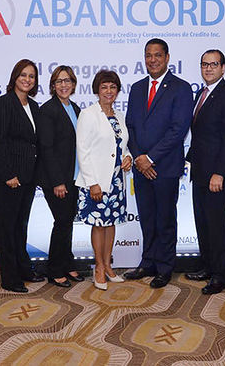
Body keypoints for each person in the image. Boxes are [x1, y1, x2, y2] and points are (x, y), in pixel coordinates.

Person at [124, 38, 193, 289]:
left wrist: (150, 158)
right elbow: (130, 125)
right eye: (148, 55)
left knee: (165, 218)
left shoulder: (181, 88)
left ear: (167, 58)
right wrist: (139, 158)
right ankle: (148, 261)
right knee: (147, 217)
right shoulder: (138, 88)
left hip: (164, 167)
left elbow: (178, 130)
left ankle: (165, 267)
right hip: (142, 168)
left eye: (157, 55)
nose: (152, 60)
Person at [185, 49, 225, 295]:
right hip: (200, 172)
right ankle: (208, 266)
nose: (208, 68)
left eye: (214, 64)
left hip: (217, 176)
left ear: (223, 67)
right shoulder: (202, 92)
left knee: (217, 224)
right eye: (204, 64)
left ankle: (220, 275)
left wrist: (219, 172)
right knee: (203, 222)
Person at [0, 59, 44, 293]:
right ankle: (10, 278)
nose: (27, 79)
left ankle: (23, 268)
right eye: (23, 75)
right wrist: (8, 174)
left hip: (28, 177)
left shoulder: (33, 106)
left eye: (31, 76)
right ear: (14, 77)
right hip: (8, 178)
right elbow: (0, 141)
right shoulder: (4, 103)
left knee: (21, 225)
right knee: (7, 226)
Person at [76, 70, 132, 290]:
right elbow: (83, 150)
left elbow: (122, 146)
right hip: (97, 181)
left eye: (113, 87)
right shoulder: (88, 114)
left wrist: (128, 158)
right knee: (99, 225)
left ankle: (108, 265)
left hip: (116, 180)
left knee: (111, 224)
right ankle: (98, 267)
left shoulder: (119, 115)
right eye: (104, 87)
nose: (109, 91)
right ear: (97, 90)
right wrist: (92, 182)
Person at [39, 66, 84, 287]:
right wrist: (57, 181)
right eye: (58, 81)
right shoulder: (48, 110)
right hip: (56, 180)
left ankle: (67, 263)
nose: (63, 85)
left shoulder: (75, 108)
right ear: (53, 86)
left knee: (67, 223)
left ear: (74, 84)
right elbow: (46, 148)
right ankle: (55, 269)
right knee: (62, 222)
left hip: (74, 177)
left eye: (67, 81)